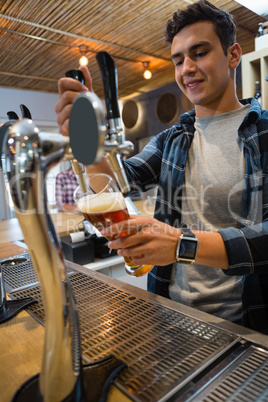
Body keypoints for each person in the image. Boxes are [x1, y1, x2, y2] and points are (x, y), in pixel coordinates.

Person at [55, 0, 268, 334]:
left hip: (247, 326)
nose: (186, 69)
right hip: (170, 314)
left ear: (233, 55)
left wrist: (182, 244)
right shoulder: (172, 138)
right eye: (178, 60)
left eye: (199, 53)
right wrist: (89, 138)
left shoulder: (265, 133)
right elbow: (115, 187)